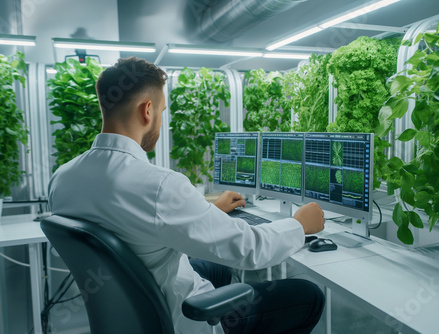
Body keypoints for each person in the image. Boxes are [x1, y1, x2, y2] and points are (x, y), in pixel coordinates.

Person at [48, 57, 325, 333]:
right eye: (161, 111)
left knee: (218, 269)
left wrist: (211, 211)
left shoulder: (62, 178)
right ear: (147, 111)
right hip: (180, 318)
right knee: (307, 295)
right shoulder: (158, 185)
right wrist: (300, 224)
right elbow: (248, 249)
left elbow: (136, 227)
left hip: (127, 316)